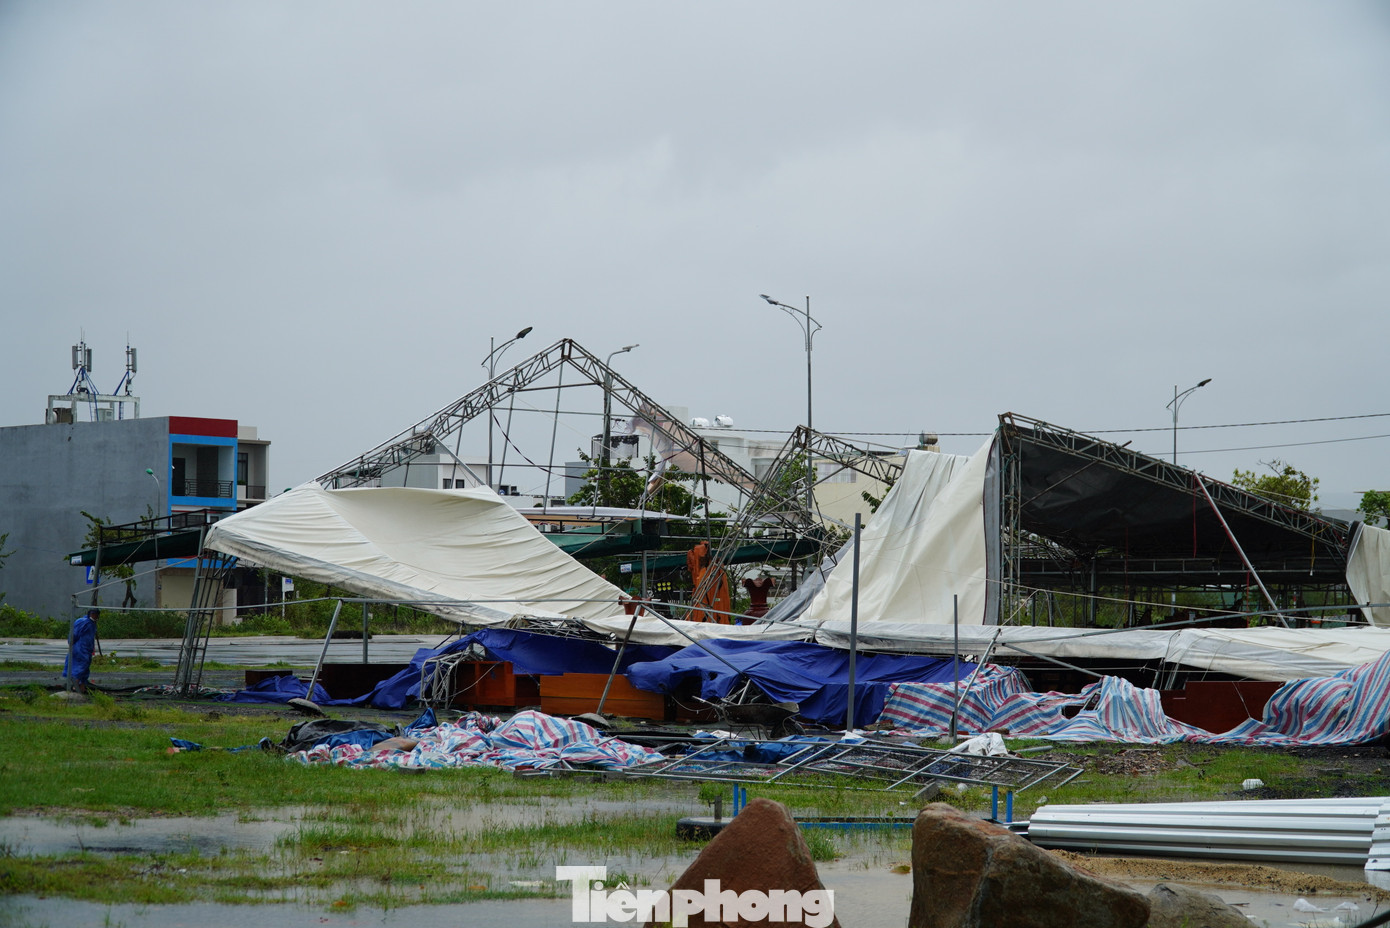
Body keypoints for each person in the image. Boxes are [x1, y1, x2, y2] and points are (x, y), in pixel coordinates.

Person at [64, 608, 99, 693]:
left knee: (85, 668)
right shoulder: (84, 622)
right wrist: (71, 642)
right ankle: (75, 686)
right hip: (80, 648)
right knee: (80, 667)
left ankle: (82, 687)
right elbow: (74, 634)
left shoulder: (91, 623)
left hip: (86, 648)